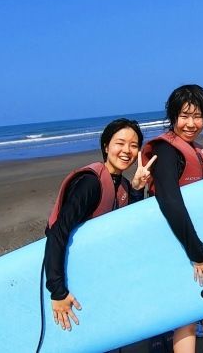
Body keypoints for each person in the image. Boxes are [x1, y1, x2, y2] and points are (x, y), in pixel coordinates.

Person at [44, 118, 156, 331]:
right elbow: (59, 231)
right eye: (120, 143)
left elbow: (127, 226)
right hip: (73, 272)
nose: (127, 150)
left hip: (99, 272)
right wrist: (57, 292)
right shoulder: (90, 183)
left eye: (134, 145)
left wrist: (135, 189)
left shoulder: (121, 184)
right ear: (106, 146)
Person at [142, 84, 203, 353]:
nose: (191, 123)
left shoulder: (195, 149)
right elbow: (169, 200)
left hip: (197, 236)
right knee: (187, 315)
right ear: (173, 117)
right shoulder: (166, 151)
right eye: (184, 116)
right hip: (179, 240)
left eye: (197, 116)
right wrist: (198, 252)